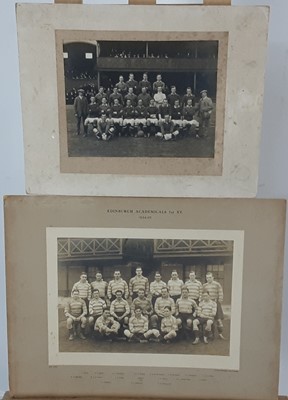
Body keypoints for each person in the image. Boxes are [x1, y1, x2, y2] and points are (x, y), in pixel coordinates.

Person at [202, 272, 225, 339]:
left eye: (210, 277)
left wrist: (219, 301)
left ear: (212, 278)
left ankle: (220, 333)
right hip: (208, 303)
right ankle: (210, 334)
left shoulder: (217, 284)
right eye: (207, 278)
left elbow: (220, 292)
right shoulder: (204, 285)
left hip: (215, 302)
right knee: (209, 318)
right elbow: (202, 294)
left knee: (218, 320)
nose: (208, 279)